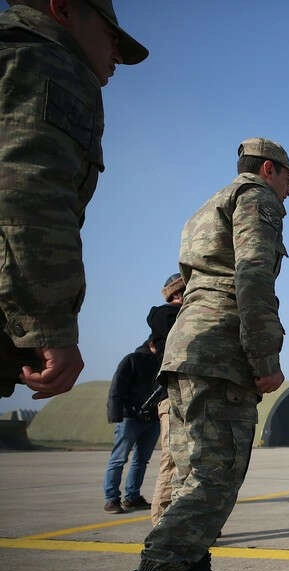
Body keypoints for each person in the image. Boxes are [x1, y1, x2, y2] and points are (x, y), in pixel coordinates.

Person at [67, 137, 289, 571]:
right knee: (212, 483)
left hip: (187, 347)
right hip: (220, 349)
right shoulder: (257, 198)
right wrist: (265, 355)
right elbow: (252, 276)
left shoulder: (207, 205)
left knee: (184, 478)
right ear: (269, 169)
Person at [0, 0, 147, 402]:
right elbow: (28, 195)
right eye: (110, 36)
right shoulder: (45, 62)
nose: (116, 54)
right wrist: (48, 325)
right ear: (62, 9)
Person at [103, 337, 160, 513]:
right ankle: (111, 499)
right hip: (130, 418)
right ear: (151, 344)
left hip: (153, 419)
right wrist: (115, 414)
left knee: (141, 460)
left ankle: (132, 497)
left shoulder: (163, 363)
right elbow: (117, 387)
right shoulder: (132, 360)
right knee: (119, 458)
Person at [148, 272, 185, 526]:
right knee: (172, 461)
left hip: (186, 395)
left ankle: (182, 521)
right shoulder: (169, 317)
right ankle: (162, 524)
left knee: (189, 464)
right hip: (173, 396)